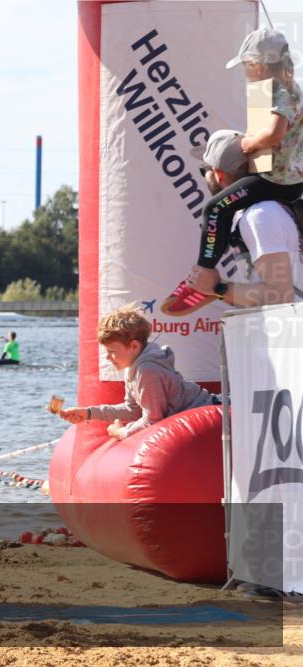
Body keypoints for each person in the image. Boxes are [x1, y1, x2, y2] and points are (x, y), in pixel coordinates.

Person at [164, 28, 303, 315]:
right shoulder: (290, 88)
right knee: (225, 212)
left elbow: (276, 133)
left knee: (215, 209)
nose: (246, 73)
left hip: (276, 179)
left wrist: (246, 145)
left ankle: (203, 274)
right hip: (287, 179)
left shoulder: (277, 88)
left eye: (247, 66)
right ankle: (209, 280)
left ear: (261, 64)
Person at [59, 305, 215, 439]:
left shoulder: (147, 370)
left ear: (134, 346)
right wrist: (88, 413)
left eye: (112, 351)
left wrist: (121, 432)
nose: (107, 357)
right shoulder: (132, 367)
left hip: (211, 412)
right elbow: (133, 410)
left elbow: (153, 420)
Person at [183, 129, 303, 305]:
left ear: (218, 173)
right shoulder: (263, 211)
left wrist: (217, 287)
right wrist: (218, 291)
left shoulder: (260, 215)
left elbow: (280, 296)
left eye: (204, 170)